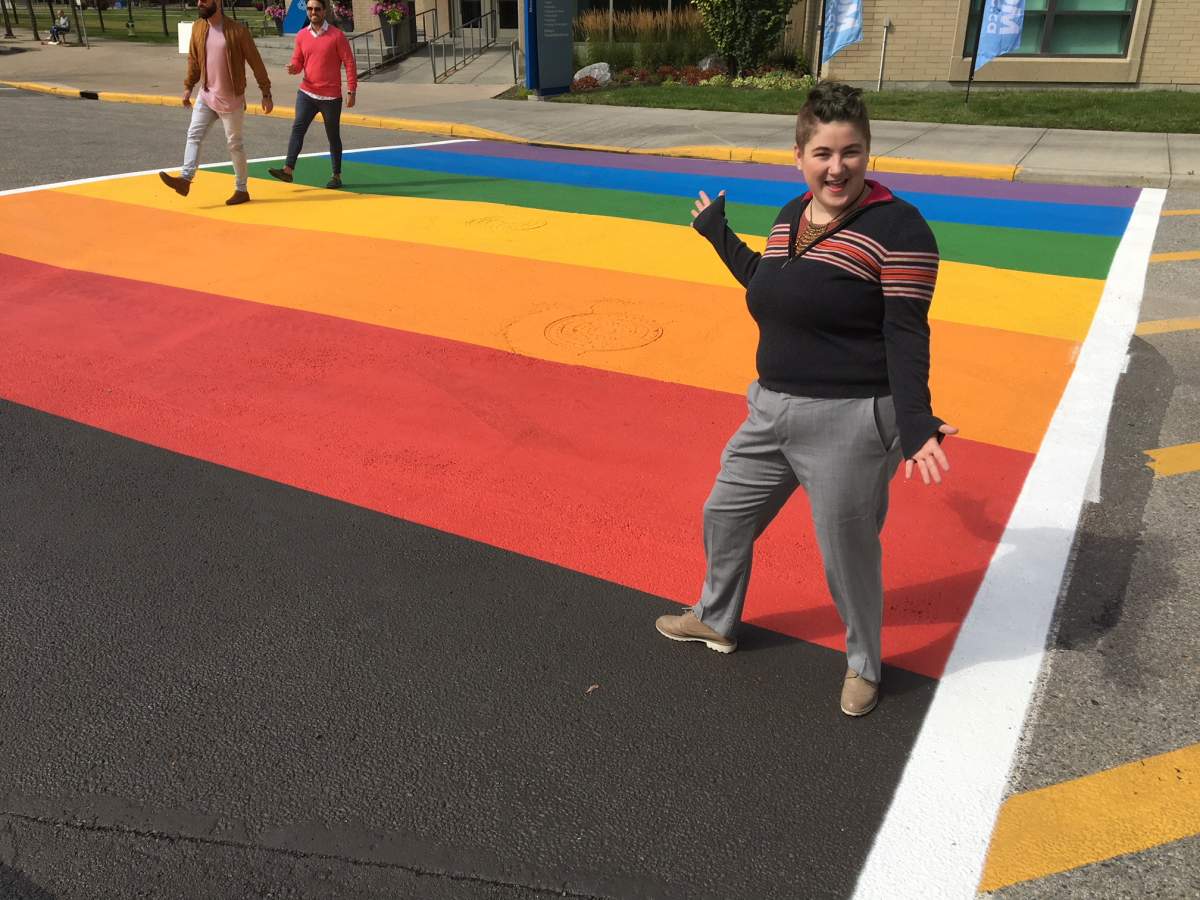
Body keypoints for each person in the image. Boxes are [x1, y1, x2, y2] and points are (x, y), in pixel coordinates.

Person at [655, 83, 956, 718]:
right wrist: (718, 236)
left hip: (850, 421)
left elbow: (906, 332)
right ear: (800, 156)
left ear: (868, 153)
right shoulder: (792, 215)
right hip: (769, 410)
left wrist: (916, 420)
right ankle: (715, 618)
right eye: (822, 152)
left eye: (851, 152)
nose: (837, 167)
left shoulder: (900, 229)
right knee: (725, 514)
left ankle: (864, 664)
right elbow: (771, 288)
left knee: (846, 557)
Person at [158, 0, 273, 206]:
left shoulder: (237, 31)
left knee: (235, 145)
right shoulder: (198, 27)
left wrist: (266, 92)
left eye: (205, 0)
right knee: (193, 135)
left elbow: (256, 63)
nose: (200, 3)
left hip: (231, 99)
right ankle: (185, 179)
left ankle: (241, 189)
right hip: (206, 94)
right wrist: (188, 86)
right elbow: (194, 59)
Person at [267, 0, 356, 190]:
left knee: (333, 136)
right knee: (298, 128)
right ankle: (288, 170)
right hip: (307, 93)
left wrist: (351, 90)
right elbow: (298, 62)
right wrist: (293, 68)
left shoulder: (337, 36)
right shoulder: (301, 36)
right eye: (309, 9)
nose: (313, 12)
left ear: (324, 11)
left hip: (330, 97)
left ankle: (336, 175)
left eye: (317, 9)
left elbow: (349, 63)